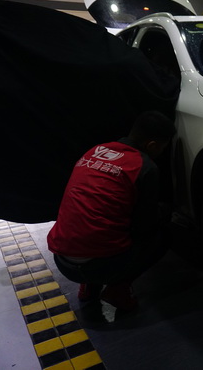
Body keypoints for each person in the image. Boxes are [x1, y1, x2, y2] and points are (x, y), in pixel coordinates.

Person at [47, 110, 176, 311]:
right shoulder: (144, 166)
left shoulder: (95, 151)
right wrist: (165, 210)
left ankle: (88, 288)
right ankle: (118, 288)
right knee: (165, 234)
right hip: (102, 265)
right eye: (162, 147)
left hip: (62, 260)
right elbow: (145, 225)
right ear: (151, 145)